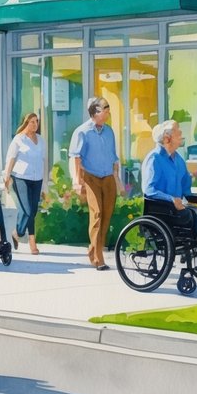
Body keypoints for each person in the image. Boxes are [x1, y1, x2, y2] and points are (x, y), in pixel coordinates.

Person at [142, 120, 197, 270]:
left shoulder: (178, 159)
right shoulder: (154, 158)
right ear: (167, 138)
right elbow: (149, 189)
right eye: (177, 131)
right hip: (163, 213)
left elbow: (185, 187)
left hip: (178, 211)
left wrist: (190, 189)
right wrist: (171, 199)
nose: (181, 134)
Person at [70, 97, 121, 271]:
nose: (108, 113)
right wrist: (78, 181)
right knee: (97, 213)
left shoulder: (109, 131)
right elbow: (76, 158)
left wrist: (117, 180)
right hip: (91, 177)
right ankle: (98, 258)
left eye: (108, 109)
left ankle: (94, 249)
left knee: (106, 215)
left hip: (108, 177)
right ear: (94, 112)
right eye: (104, 109)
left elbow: (114, 157)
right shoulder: (82, 132)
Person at [2, 112, 45, 254]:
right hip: (21, 178)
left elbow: (43, 160)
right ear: (26, 123)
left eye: (36, 121)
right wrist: (7, 176)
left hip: (37, 179)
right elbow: (11, 158)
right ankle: (20, 233)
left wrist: (44, 185)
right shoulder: (19, 139)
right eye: (32, 122)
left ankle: (27, 239)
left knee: (33, 210)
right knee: (27, 210)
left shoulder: (41, 140)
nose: (35, 124)